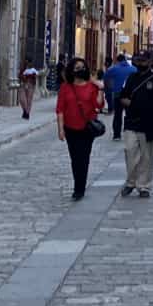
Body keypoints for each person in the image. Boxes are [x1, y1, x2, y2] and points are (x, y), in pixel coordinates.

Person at [118, 52, 153, 198]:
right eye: (138, 60)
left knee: (147, 156)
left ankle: (144, 186)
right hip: (131, 121)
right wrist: (134, 105)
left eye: (144, 60)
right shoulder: (131, 78)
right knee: (130, 151)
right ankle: (131, 181)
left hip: (150, 124)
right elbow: (123, 96)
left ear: (150, 62)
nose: (141, 63)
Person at [56, 58, 103, 201]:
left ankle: (79, 188)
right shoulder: (65, 87)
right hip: (70, 127)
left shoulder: (91, 87)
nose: (80, 69)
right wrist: (60, 129)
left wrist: (100, 89)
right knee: (74, 158)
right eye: (77, 67)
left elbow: (99, 105)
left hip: (87, 128)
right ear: (71, 70)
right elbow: (60, 109)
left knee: (84, 158)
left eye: (82, 67)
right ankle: (78, 183)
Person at [103, 54, 137, 140]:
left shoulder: (113, 69)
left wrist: (110, 87)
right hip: (130, 96)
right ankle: (129, 131)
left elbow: (105, 78)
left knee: (117, 115)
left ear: (117, 61)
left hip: (118, 94)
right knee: (130, 114)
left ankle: (117, 135)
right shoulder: (133, 69)